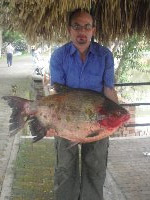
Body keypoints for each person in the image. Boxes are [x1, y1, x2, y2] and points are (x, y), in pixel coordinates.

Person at [49, 8, 118, 200]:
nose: (82, 32)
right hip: (66, 120)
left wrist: (118, 117)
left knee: (95, 169)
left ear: (93, 30)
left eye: (87, 27)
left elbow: (109, 90)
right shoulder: (58, 56)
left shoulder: (105, 56)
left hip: (97, 123)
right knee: (64, 169)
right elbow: (57, 94)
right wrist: (50, 123)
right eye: (77, 26)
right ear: (69, 29)